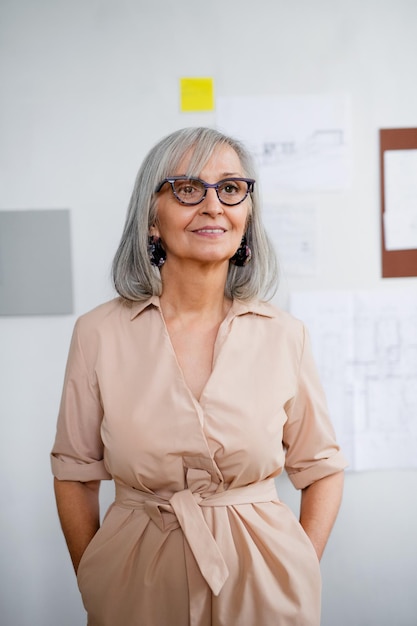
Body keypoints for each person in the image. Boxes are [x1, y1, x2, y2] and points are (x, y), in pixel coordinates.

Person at [51, 126, 347, 626]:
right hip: (134, 581)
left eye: (230, 189)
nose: (213, 205)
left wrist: (298, 565)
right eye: (188, 188)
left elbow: (321, 468)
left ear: (246, 216)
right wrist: (97, 579)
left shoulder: (284, 335)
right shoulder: (97, 333)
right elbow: (75, 473)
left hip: (264, 583)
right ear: (151, 219)